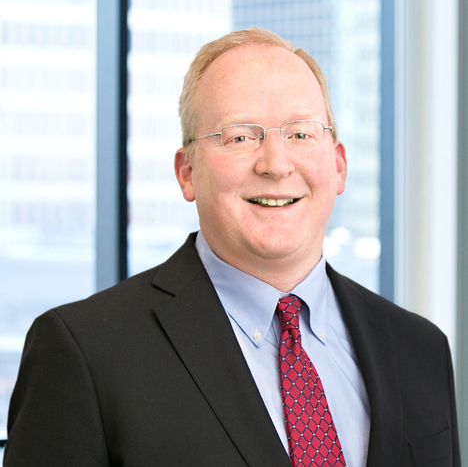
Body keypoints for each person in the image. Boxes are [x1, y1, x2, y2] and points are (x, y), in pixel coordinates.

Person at [4, 28, 460, 467]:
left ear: (338, 166)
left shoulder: (420, 349)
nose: (276, 164)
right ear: (187, 173)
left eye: (301, 133)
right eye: (240, 136)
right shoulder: (84, 354)